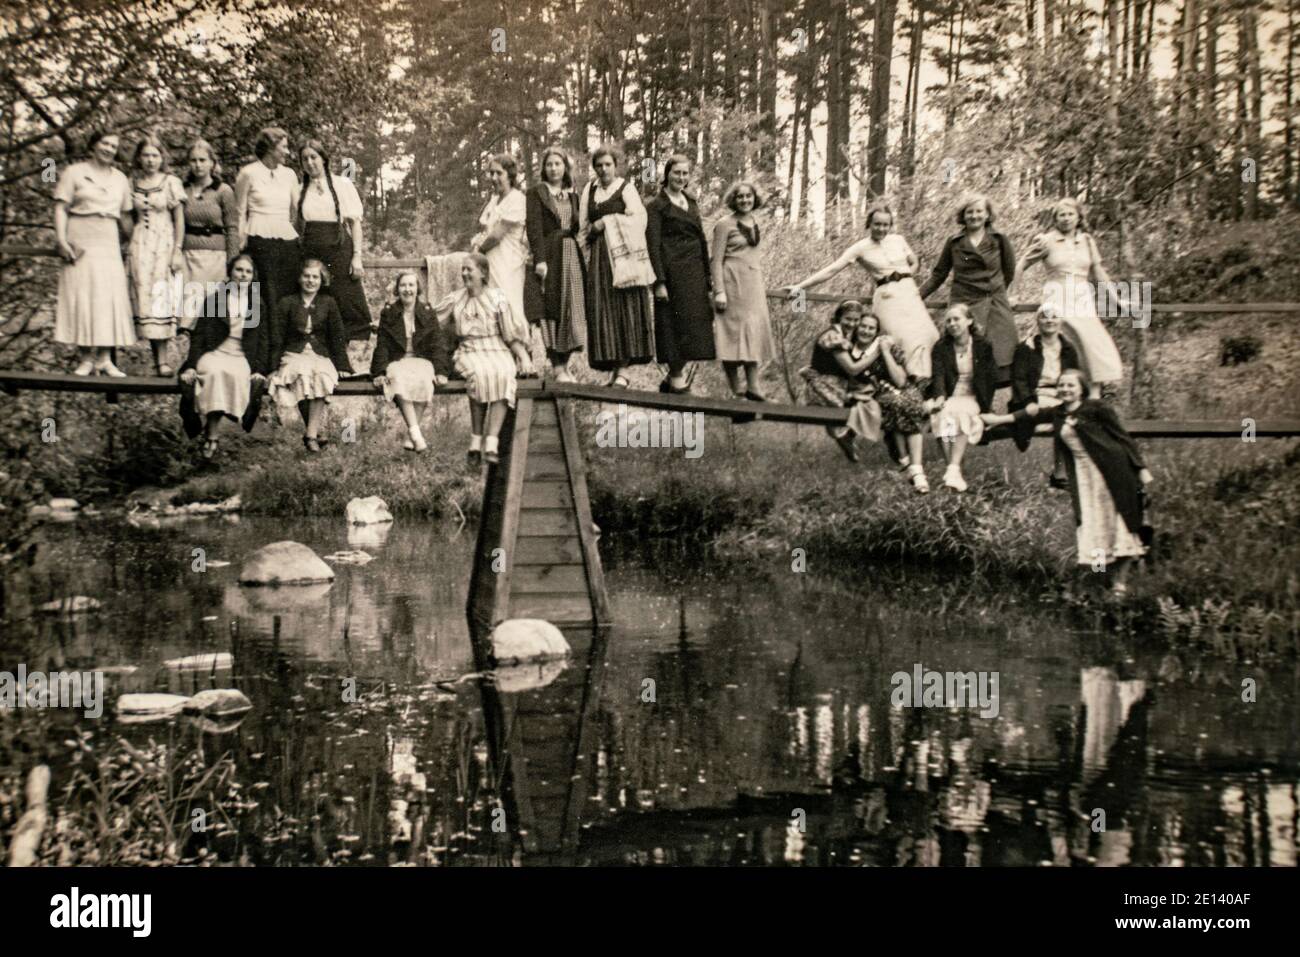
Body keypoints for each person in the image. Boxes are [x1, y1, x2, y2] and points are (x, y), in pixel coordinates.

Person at [981, 369, 1153, 596]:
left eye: (1071, 385)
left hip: (1113, 472)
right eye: (1061, 385)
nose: (1065, 389)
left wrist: (1141, 469)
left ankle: (1119, 584)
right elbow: (1031, 414)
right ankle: (1100, 576)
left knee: (1121, 524)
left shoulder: (1097, 408)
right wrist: (998, 419)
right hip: (1084, 478)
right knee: (1095, 526)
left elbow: (1122, 437)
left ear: (1082, 388)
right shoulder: (1058, 413)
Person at [786, 204, 939, 378]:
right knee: (899, 341)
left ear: (890, 225)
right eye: (877, 224)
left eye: (885, 225)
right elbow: (832, 269)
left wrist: (907, 275)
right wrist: (801, 286)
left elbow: (915, 262)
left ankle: (924, 383)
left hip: (910, 294)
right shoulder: (860, 247)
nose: (881, 228)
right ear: (869, 224)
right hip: (888, 298)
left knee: (928, 335)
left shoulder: (898, 239)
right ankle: (904, 382)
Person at [435, 253, 534, 466]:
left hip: (497, 347)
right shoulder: (455, 299)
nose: (464, 274)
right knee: (479, 373)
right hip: (469, 349)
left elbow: (509, 335)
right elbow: (430, 321)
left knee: (505, 372)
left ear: (483, 273)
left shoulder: (497, 298)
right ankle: (475, 440)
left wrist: (524, 356)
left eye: (469, 269)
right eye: (463, 269)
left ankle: (491, 440)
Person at [1018, 198, 1124, 396]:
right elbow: (1022, 264)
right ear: (1055, 218)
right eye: (1061, 215)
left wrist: (1117, 300)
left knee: (1092, 344)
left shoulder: (1087, 241)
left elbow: (1099, 272)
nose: (1066, 219)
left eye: (1070, 214)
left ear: (1078, 217)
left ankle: (1093, 399)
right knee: (1066, 342)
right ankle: (1061, 397)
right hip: (1056, 296)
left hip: (1082, 297)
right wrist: (1012, 294)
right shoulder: (1046, 240)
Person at [52, 129, 136, 376]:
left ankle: (105, 359)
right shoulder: (74, 172)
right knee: (83, 295)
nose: (109, 149)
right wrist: (61, 240)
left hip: (108, 237)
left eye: (113, 146)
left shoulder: (120, 178)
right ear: (93, 145)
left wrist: (134, 243)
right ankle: (86, 358)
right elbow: (60, 208)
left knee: (108, 297)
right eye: (104, 144)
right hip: (80, 236)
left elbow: (126, 216)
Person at [918, 193, 1018, 383]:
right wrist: (916, 296)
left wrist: (1000, 293)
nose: (974, 216)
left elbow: (1010, 272)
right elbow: (939, 274)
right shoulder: (954, 242)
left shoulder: (999, 239)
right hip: (964, 303)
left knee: (999, 353)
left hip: (994, 303)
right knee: (961, 353)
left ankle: (987, 402)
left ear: (988, 214)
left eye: (979, 211)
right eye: (969, 212)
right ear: (963, 216)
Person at [577, 144, 656, 387]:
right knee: (603, 310)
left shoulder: (626, 188)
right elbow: (583, 228)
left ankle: (624, 370)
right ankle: (614, 369)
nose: (603, 170)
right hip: (600, 259)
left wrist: (608, 221)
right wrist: (591, 235)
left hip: (623, 258)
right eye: (598, 166)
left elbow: (639, 219)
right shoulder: (589, 191)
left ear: (616, 165)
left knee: (625, 308)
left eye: (607, 165)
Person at [178, 254, 269, 458]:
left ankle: (211, 435)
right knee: (213, 372)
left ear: (253, 276)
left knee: (235, 375)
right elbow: (199, 335)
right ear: (230, 272)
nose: (243, 275)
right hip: (215, 352)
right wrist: (191, 365)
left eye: (248, 272)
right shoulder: (215, 299)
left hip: (241, 356)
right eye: (239, 270)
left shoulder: (257, 303)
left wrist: (259, 370)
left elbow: (263, 340)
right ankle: (212, 434)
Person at [296, 139, 372, 363]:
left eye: (314, 157)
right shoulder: (300, 190)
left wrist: (357, 256)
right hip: (312, 251)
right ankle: (320, 354)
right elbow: (296, 224)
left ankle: (349, 358)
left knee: (345, 298)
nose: (310, 163)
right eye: (305, 159)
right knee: (317, 300)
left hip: (339, 249)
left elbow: (355, 223)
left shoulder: (342, 184)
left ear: (323, 159)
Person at [646, 154, 716, 394]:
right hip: (672, 273)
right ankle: (676, 376)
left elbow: (702, 239)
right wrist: (659, 282)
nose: (681, 177)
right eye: (677, 172)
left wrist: (708, 278)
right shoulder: (656, 206)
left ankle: (671, 379)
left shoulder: (692, 201)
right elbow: (652, 245)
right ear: (667, 174)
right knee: (674, 326)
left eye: (685, 173)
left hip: (695, 271)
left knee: (697, 326)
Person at [268, 258, 353, 453]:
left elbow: (337, 336)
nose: (310, 281)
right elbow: (277, 338)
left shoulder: (328, 303)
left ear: (322, 280)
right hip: (293, 354)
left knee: (321, 375)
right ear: (299, 278)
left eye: (315, 277)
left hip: (319, 354)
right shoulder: (287, 302)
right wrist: (272, 368)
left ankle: (311, 434)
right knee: (302, 374)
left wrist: (343, 366)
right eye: (306, 276)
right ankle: (314, 434)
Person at [846, 312, 932, 488]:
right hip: (873, 395)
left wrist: (884, 352)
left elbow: (901, 381)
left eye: (871, 328)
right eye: (863, 326)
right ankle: (908, 464)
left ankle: (913, 467)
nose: (866, 331)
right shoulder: (849, 350)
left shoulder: (885, 346)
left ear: (877, 331)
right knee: (895, 403)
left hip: (903, 388)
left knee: (909, 401)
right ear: (856, 327)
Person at [371, 270, 454, 453]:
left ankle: (412, 436)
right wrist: (379, 372)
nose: (407, 290)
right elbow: (382, 344)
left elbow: (438, 343)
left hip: (421, 359)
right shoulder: (389, 313)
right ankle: (417, 436)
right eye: (403, 285)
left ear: (418, 288)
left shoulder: (427, 312)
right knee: (397, 377)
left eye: (411, 285)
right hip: (398, 359)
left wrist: (441, 371)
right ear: (397, 289)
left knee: (426, 378)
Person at [126, 131, 186, 375]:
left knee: (162, 299)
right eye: (145, 155)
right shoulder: (132, 184)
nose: (150, 160)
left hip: (165, 244)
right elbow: (127, 216)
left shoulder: (171, 182)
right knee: (145, 300)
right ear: (139, 158)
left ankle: (164, 360)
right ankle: (154, 357)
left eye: (155, 155)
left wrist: (177, 250)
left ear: (162, 157)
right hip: (141, 244)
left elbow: (179, 219)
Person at [525, 146, 586, 381]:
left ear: (565, 167)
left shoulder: (573, 195)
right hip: (550, 254)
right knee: (551, 308)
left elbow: (579, 226)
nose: (553, 168)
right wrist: (539, 259)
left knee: (573, 307)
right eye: (549, 164)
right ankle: (556, 365)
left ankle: (566, 364)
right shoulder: (537, 193)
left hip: (571, 254)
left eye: (557, 164)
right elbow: (534, 229)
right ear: (544, 168)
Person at [711, 180, 775, 400]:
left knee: (753, 332)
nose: (745, 200)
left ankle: (754, 386)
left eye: (748, 196)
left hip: (753, 285)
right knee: (731, 334)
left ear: (754, 198)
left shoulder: (756, 221)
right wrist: (719, 290)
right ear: (733, 200)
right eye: (740, 197)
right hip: (731, 284)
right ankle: (736, 388)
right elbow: (716, 260)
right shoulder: (723, 224)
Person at [926, 304, 997, 492]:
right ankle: (954, 471)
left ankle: (952, 469)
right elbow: (938, 375)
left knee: (963, 413)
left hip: (972, 395)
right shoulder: (941, 347)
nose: (952, 323)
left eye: (956, 319)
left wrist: (985, 403)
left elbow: (990, 377)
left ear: (969, 321)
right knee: (943, 414)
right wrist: (940, 397)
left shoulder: (983, 345)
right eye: (948, 320)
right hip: (950, 394)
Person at [235, 126, 301, 324]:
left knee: (287, 292)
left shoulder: (289, 174)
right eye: (284, 147)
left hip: (286, 240)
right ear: (270, 148)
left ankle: (283, 348)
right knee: (264, 295)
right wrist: (240, 243)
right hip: (258, 238)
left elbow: (296, 210)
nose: (288, 152)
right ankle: (264, 349)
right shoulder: (248, 173)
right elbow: (240, 211)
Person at [178, 139, 239, 336]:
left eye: (203, 160)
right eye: (193, 160)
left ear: (212, 163)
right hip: (188, 257)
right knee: (187, 311)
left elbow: (232, 228)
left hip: (215, 258)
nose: (198, 165)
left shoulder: (223, 191)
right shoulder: (181, 189)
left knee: (211, 309)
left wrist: (232, 262)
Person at [474, 154, 530, 349]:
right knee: (492, 304)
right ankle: (499, 352)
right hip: (490, 261)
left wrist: (477, 253)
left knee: (508, 302)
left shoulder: (517, 199)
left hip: (508, 261)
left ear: (510, 175)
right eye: (491, 173)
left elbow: (497, 235)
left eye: (499, 173)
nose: (494, 177)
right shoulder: (494, 200)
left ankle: (522, 354)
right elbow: (485, 230)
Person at [1010, 302, 1080, 458]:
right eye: (1044, 317)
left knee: (1073, 421)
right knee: (1064, 421)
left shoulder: (1069, 349)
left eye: (1054, 317)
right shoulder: (1026, 348)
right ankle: (1060, 474)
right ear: (1037, 321)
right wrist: (1029, 402)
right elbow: (1019, 380)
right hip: (1036, 397)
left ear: (1060, 321)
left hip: (1062, 395)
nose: (1049, 321)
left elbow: (1076, 377)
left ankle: (1061, 473)